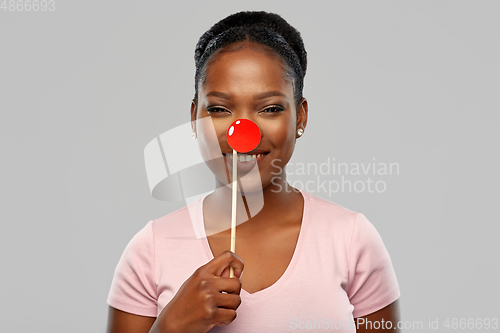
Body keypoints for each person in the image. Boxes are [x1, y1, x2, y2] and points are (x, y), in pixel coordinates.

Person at [106, 11, 401, 333]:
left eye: (270, 108)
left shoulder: (352, 239)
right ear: (194, 118)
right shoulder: (151, 248)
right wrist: (170, 328)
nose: (242, 132)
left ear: (300, 117)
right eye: (219, 109)